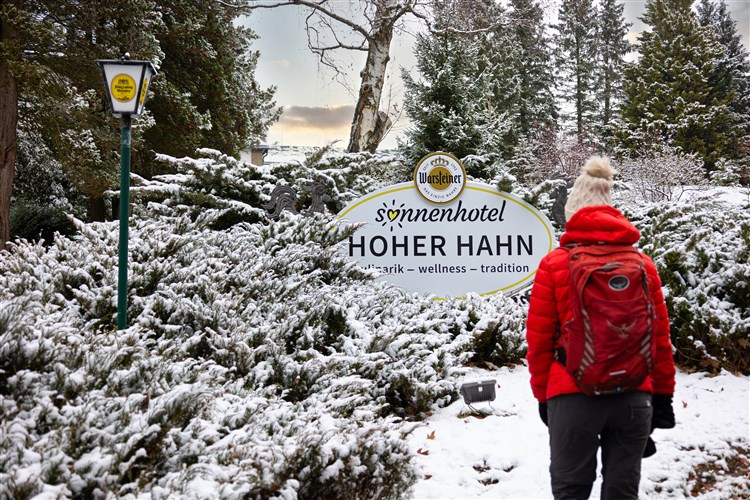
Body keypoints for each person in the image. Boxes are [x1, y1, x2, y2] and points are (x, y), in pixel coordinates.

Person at [526, 156, 676, 500]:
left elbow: (538, 342)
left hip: (572, 394)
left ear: (572, 215)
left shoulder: (554, 264)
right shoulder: (643, 264)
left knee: (571, 489)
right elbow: (659, 338)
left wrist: (543, 396)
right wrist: (663, 395)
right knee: (622, 490)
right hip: (635, 394)